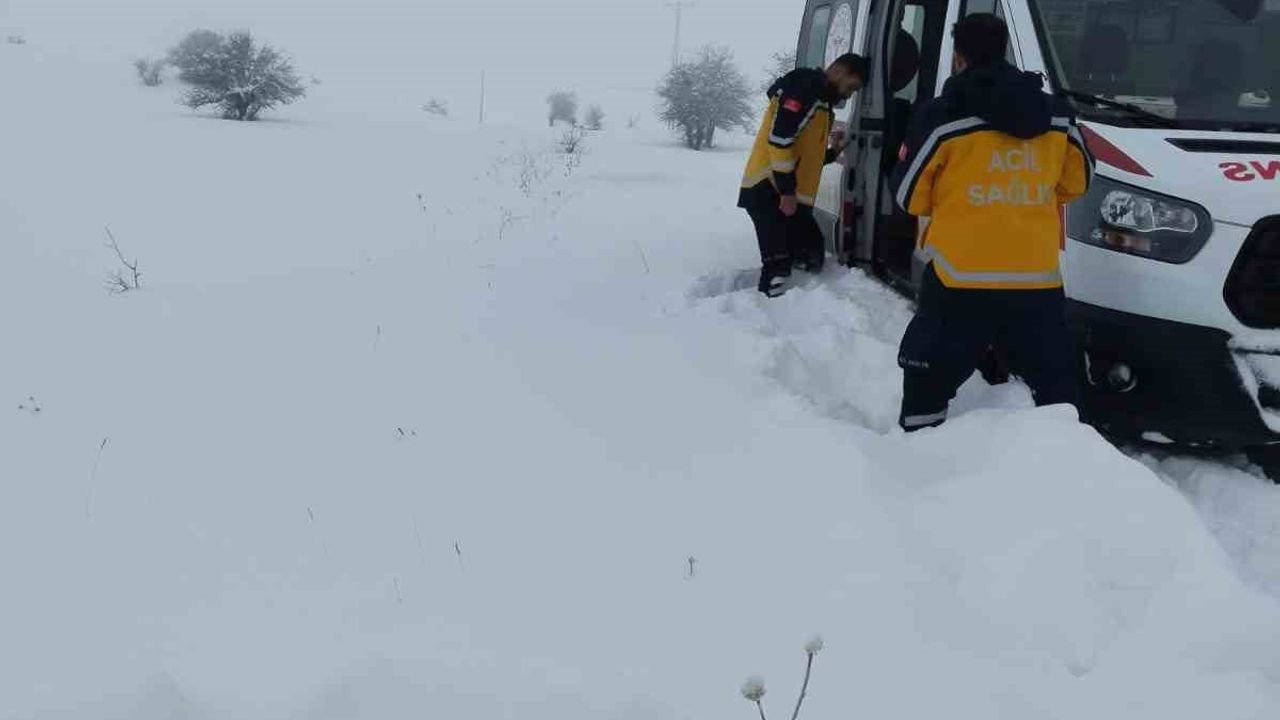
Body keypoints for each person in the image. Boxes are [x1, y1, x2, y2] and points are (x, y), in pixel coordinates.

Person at [890, 13, 1094, 432]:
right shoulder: (1057, 116)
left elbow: (910, 196)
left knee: (929, 377)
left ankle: (917, 451)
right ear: (1004, 50)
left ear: (959, 57)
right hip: (1037, 278)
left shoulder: (942, 116)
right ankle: (1066, 455)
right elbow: (1077, 182)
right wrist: (1025, 194)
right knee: (1055, 389)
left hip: (958, 275)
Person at [739, 54, 868, 297]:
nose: (849, 95)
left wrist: (834, 151)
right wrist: (787, 192)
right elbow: (780, 140)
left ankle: (794, 306)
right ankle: (765, 311)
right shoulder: (804, 89)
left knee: (811, 256)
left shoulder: (823, 104)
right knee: (778, 267)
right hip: (769, 189)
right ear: (840, 72)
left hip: (789, 195)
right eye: (851, 87)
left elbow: (807, 158)